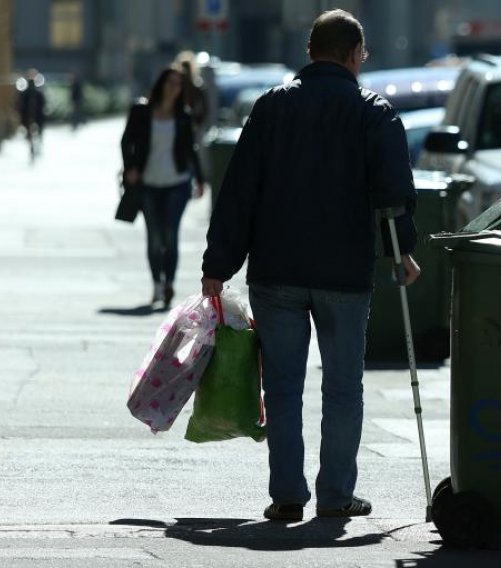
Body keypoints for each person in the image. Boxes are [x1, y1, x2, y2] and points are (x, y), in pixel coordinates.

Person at [200, 9, 420, 522]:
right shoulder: (374, 112)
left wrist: (219, 263)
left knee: (282, 385)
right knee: (343, 386)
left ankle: (287, 494)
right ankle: (336, 494)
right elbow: (394, 194)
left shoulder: (272, 107)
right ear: (354, 54)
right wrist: (401, 250)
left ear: (309, 52)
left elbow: (240, 192)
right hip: (345, 271)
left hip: (276, 269)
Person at [121, 66, 205, 308]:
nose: (173, 87)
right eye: (170, 82)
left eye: (178, 84)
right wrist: (130, 167)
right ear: (161, 84)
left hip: (177, 183)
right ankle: (156, 283)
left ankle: (169, 283)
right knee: (154, 236)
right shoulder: (141, 111)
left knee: (170, 234)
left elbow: (191, 150)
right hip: (148, 183)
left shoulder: (183, 115)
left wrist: (199, 179)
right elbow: (126, 141)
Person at [16, 69, 46, 161]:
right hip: (32, 115)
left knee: (34, 133)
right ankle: (33, 148)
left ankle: (34, 147)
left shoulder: (33, 92)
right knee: (34, 133)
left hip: (33, 115)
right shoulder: (35, 91)